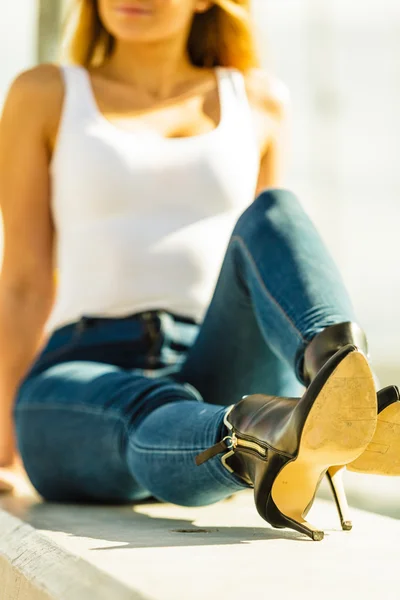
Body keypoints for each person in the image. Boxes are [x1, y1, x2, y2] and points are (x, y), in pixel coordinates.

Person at [0, 0, 398, 541]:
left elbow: (265, 273)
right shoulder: (45, 93)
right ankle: (265, 434)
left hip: (214, 359)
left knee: (275, 213)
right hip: (81, 375)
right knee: (151, 408)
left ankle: (337, 381)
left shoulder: (258, 100)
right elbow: (23, 282)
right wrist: (1, 447)